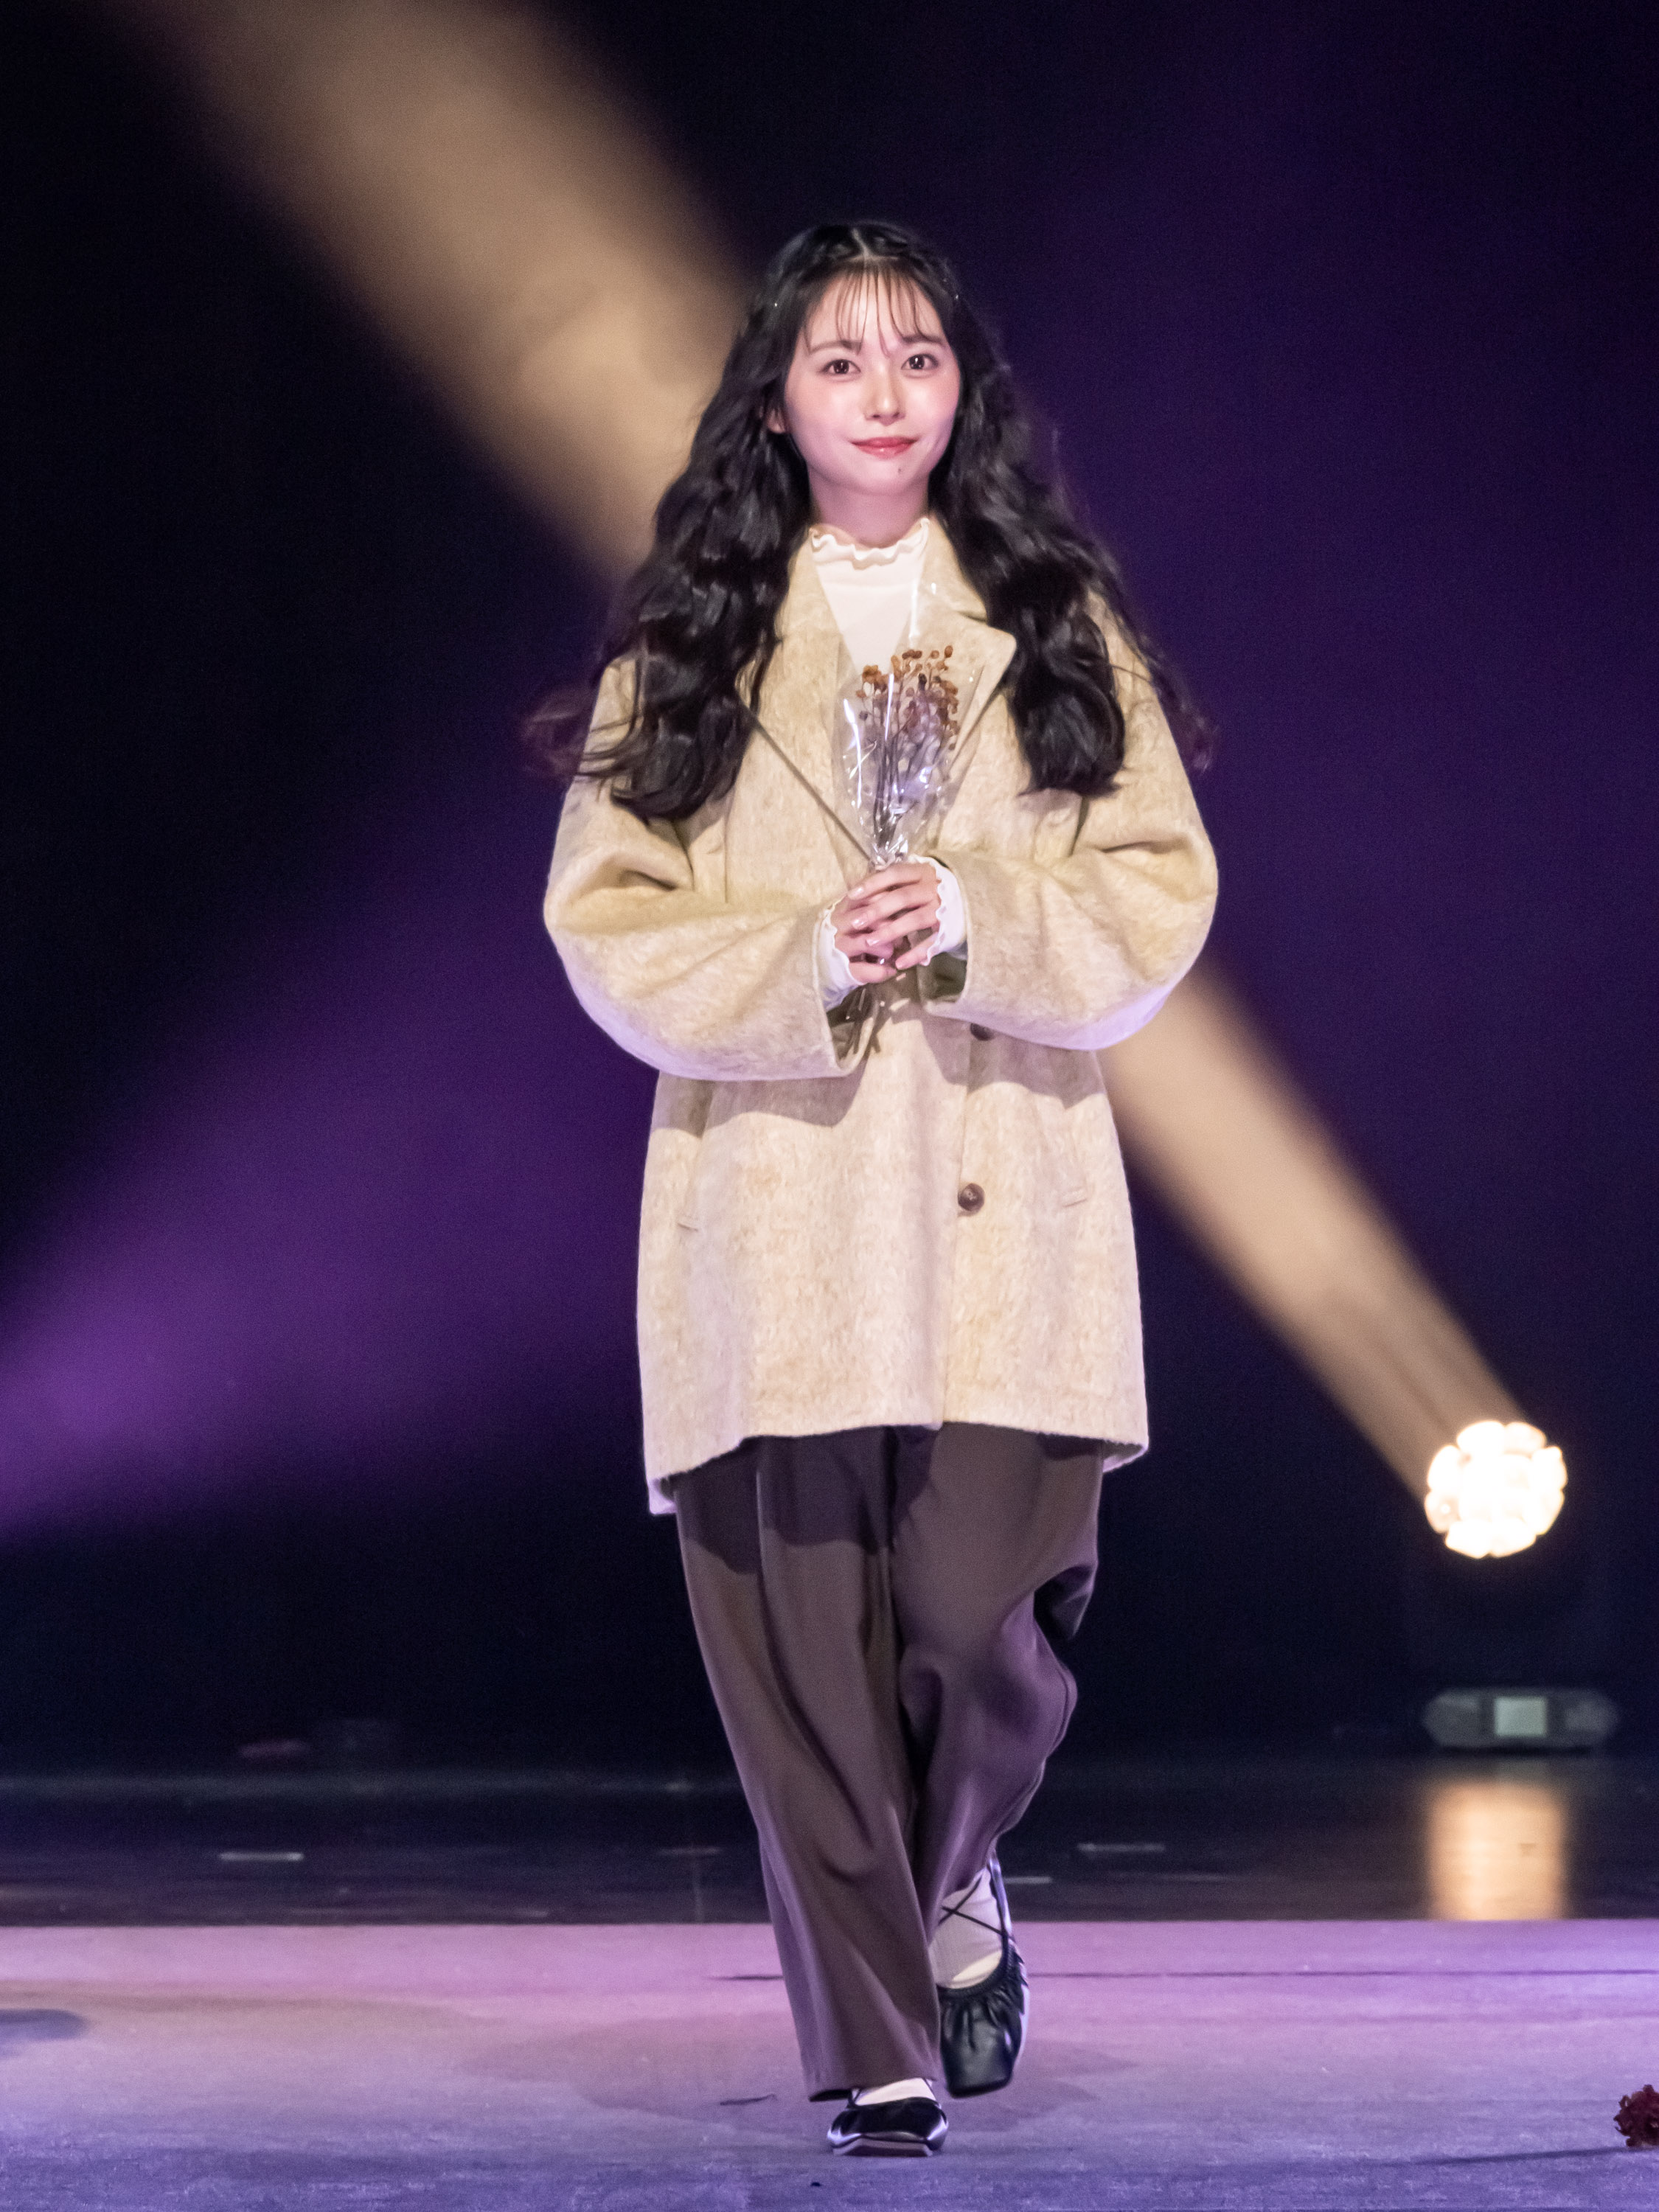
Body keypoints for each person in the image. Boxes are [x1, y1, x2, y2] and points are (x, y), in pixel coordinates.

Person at [543, 220, 1216, 2157]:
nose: (883, 393)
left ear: (961, 391)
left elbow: (1158, 887)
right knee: (807, 1670)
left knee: (978, 1616)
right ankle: (880, 2044)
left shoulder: (1052, 624)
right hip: (777, 1202)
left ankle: (955, 1874)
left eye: (916, 356)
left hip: (1002, 1188)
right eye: (840, 361)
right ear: (776, 402)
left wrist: (975, 917)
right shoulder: (690, 648)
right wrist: (805, 955)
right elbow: (604, 923)